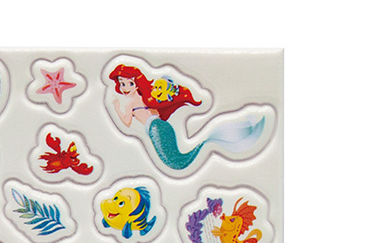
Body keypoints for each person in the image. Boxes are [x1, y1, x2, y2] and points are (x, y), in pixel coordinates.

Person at [108, 63, 265, 171]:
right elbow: (154, 113)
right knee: (178, 161)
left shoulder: (130, 102)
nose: (124, 88)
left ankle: (210, 140)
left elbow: (126, 122)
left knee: (176, 163)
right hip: (161, 126)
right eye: (122, 83)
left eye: (128, 83)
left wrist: (116, 107)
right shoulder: (145, 97)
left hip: (156, 128)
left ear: (136, 83)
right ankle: (213, 138)